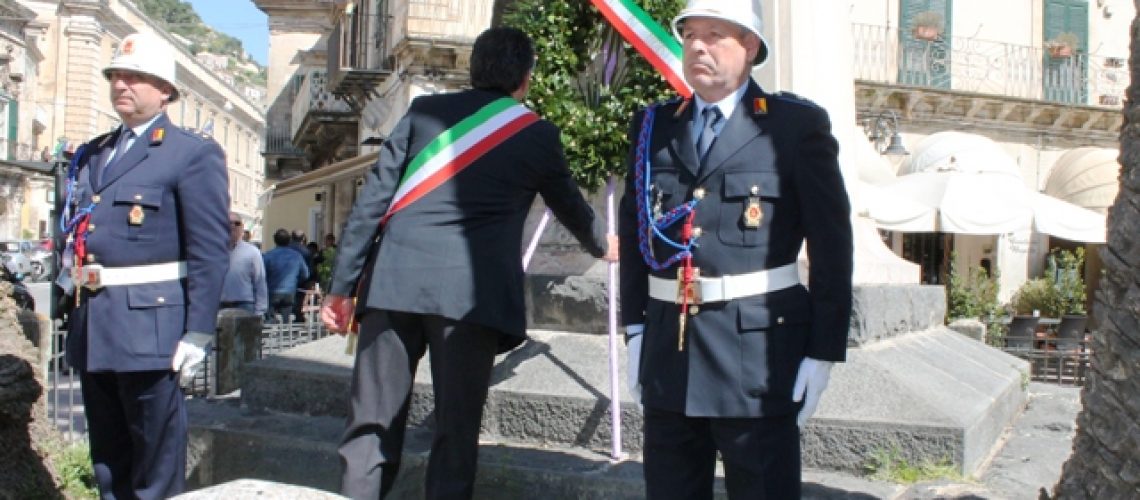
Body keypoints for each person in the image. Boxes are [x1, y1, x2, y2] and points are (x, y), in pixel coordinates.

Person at [321, 26, 619, 499]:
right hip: (470, 298)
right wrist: (603, 245)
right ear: (525, 78)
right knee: (456, 432)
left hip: (393, 286)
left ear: (473, 70)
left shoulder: (423, 114)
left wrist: (340, 288)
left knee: (371, 425)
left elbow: (371, 204)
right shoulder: (536, 134)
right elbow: (570, 207)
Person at [618, 1, 853, 498]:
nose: (697, 46)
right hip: (670, 351)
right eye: (690, 36)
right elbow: (635, 228)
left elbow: (832, 244)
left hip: (758, 356)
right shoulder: (655, 126)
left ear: (749, 46)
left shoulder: (793, 127)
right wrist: (635, 326)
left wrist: (824, 351)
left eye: (714, 35)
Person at [56, 32, 230, 498]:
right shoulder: (94, 153)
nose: (121, 85)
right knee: (109, 464)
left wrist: (198, 331)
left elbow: (210, 249)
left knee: (155, 467)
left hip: (153, 330)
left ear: (165, 90)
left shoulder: (190, 153)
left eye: (135, 77)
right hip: (95, 323)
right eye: (115, 76)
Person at [220, 212, 268, 316]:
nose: (233, 226)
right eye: (229, 223)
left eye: (237, 223)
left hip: (244, 305)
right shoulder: (214, 250)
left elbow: (260, 281)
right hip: (219, 305)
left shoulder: (252, 252)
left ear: (242, 227)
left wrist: (260, 311)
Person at [262, 228, 309, 322]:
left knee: (269, 319)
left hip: (272, 292)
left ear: (275, 240)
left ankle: (270, 332)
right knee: (286, 320)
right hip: (290, 292)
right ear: (289, 240)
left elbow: (261, 274)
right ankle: (285, 333)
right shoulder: (297, 256)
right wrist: (295, 281)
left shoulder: (268, 256)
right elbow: (305, 274)